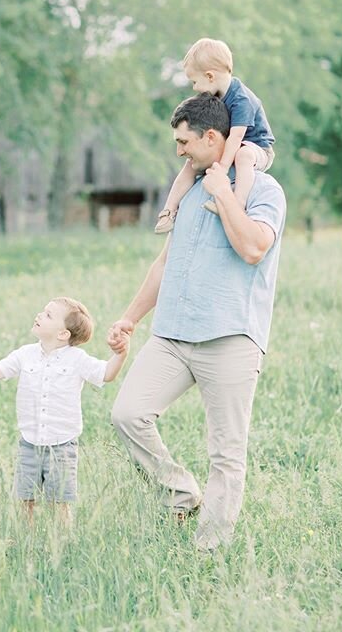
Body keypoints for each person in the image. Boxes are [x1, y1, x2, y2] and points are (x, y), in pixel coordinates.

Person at [109, 93, 286, 552]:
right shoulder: (187, 190)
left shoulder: (264, 191)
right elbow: (165, 263)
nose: (179, 151)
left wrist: (225, 194)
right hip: (172, 334)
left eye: (184, 142)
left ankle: (209, 551)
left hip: (230, 337)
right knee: (127, 414)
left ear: (213, 137)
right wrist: (129, 318)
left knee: (226, 453)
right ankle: (179, 492)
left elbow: (253, 248)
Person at [0, 297, 130, 525]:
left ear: (63, 334)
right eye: (43, 311)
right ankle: (29, 544)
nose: (39, 315)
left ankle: (62, 543)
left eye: (48, 315)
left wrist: (120, 354)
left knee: (59, 502)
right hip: (30, 444)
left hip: (62, 445)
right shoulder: (25, 354)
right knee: (25, 499)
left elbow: (106, 374)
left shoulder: (77, 360)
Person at [155, 37, 275, 233]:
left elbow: (236, 138)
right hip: (235, 145)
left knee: (242, 155)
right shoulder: (218, 95)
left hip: (257, 147)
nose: (194, 88)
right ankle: (169, 210)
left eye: (195, 82)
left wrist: (222, 169)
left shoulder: (241, 99)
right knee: (190, 165)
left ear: (210, 76)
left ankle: (237, 202)